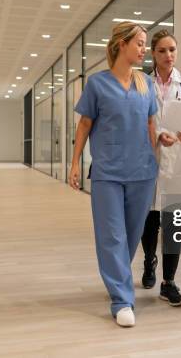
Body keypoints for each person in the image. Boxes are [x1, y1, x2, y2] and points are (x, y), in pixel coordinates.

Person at [68, 21, 159, 328]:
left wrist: (163, 144)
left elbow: (151, 128)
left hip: (143, 171)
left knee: (130, 237)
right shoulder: (97, 84)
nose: (144, 49)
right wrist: (75, 163)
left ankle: (117, 280)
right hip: (108, 172)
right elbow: (84, 125)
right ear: (122, 44)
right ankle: (122, 299)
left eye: (145, 44)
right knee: (112, 236)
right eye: (140, 43)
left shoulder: (146, 83)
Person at [140, 29, 181, 307]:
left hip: (177, 162)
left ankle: (169, 282)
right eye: (163, 50)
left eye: (173, 50)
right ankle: (149, 261)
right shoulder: (141, 83)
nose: (169, 55)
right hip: (150, 160)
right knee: (149, 222)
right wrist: (155, 137)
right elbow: (137, 121)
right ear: (153, 53)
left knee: (173, 225)